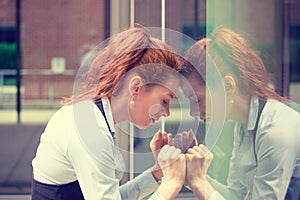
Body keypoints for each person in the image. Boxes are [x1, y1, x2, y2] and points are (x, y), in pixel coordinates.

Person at [31, 27, 187, 200]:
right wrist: (171, 184)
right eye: (164, 100)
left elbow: (112, 196)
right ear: (136, 88)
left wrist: (157, 172)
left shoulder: (93, 117)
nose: (166, 113)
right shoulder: (89, 128)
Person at [180, 26, 300, 200]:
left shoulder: (276, 130)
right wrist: (191, 175)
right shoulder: (244, 126)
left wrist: (200, 183)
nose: (193, 112)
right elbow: (235, 196)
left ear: (228, 87)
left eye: (197, 101)